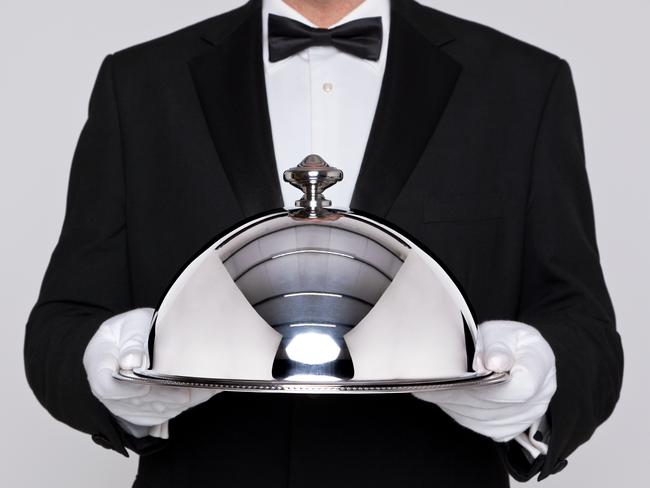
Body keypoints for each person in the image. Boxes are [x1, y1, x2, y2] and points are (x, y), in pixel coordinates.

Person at [24, 0, 624, 486]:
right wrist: (109, 376)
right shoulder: (139, 86)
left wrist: (535, 384)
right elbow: (61, 324)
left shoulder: (522, 85)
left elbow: (584, 325)